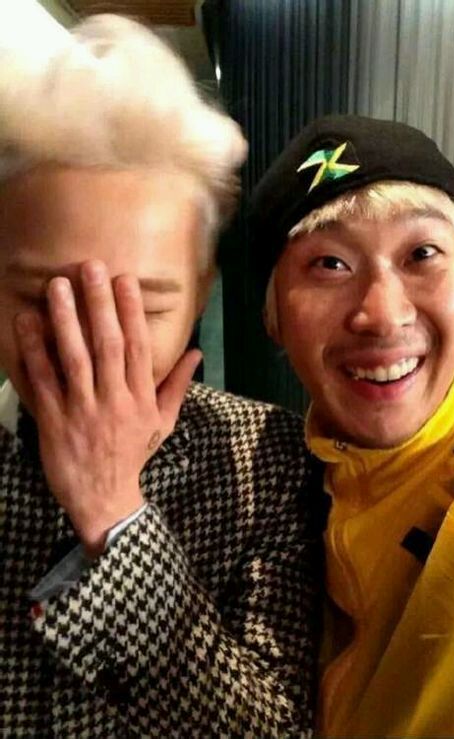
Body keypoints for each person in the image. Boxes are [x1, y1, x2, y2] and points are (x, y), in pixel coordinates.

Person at [0, 11, 320, 736]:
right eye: (43, 297)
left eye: (142, 305)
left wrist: (113, 513)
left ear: (201, 296)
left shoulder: (264, 460)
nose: (91, 342)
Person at [249, 114, 454, 736]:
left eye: (422, 254)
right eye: (330, 263)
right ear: (274, 316)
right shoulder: (267, 483)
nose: (384, 316)